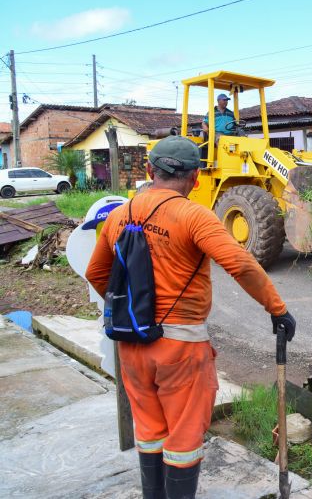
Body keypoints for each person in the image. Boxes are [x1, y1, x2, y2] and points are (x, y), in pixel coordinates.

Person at [85, 135, 296, 499]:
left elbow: (96, 273)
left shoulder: (120, 215)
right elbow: (241, 264)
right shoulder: (193, 215)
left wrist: (133, 311)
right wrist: (277, 309)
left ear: (150, 171)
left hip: (132, 345)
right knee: (183, 439)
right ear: (196, 178)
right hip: (180, 349)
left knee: (149, 431)